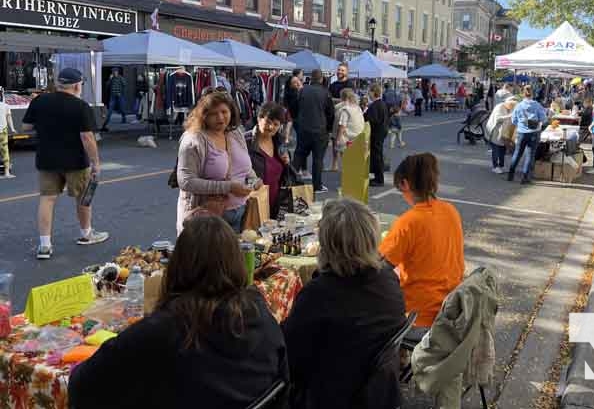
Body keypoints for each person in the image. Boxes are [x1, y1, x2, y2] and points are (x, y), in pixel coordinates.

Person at [69, 214, 288, 409]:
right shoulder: (258, 312)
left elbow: (82, 385)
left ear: (178, 265)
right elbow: (283, 380)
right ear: (237, 264)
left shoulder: (162, 330)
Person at [283, 198, 406, 409]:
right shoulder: (387, 278)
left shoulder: (319, 295)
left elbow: (289, 360)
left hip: (335, 396)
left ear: (328, 245)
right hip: (380, 393)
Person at [22, 68, 107, 260]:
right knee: (82, 198)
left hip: (46, 159)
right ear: (77, 85)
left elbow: (26, 126)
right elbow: (87, 137)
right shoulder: (80, 106)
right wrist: (96, 163)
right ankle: (86, 234)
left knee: (47, 199)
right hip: (75, 161)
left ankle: (45, 246)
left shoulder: (40, 101)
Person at [379, 153, 464, 330]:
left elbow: (379, 267)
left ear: (405, 184)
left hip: (419, 314)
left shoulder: (409, 221)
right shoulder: (451, 211)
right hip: (451, 307)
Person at [176, 91, 261, 234]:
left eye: (224, 111)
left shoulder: (236, 133)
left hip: (239, 212)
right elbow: (186, 181)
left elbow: (245, 167)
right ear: (204, 116)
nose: (220, 117)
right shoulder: (193, 140)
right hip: (206, 217)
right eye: (214, 113)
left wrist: (254, 179)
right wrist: (228, 187)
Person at [247, 102, 296, 219]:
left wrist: (287, 163)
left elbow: (286, 173)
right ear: (259, 118)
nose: (271, 127)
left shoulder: (279, 142)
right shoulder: (246, 142)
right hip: (254, 201)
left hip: (277, 201)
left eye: (276, 124)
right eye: (268, 122)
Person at [293, 69, 334, 193]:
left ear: (311, 78)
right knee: (318, 159)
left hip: (304, 128)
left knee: (299, 155)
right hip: (320, 130)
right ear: (321, 79)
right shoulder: (325, 93)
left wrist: (298, 122)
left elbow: (295, 107)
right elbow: (330, 113)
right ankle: (317, 185)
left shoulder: (302, 90)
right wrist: (329, 129)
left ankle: (289, 180)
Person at [507, 85, 547, 184]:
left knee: (517, 153)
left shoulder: (519, 105)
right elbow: (544, 119)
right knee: (530, 155)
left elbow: (514, 120)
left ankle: (510, 174)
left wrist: (522, 125)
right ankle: (525, 177)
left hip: (521, 133)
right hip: (534, 133)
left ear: (522, 94)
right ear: (533, 94)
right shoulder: (537, 105)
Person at [485, 97, 518, 173]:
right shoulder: (499, 107)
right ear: (507, 103)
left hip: (504, 132)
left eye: (513, 105)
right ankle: (495, 166)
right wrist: (510, 115)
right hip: (495, 131)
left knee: (502, 149)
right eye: (511, 105)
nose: (512, 107)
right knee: (496, 149)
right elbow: (498, 118)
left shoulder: (511, 107)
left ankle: (501, 166)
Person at [365, 84, 388, 187]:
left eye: (369, 91)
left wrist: (365, 116)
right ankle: (378, 177)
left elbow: (371, 119)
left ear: (373, 92)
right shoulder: (382, 103)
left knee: (376, 156)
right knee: (377, 155)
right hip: (381, 132)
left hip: (376, 133)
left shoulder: (375, 105)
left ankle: (379, 179)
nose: (368, 94)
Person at [333, 89, 365, 160]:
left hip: (349, 137)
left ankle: (344, 166)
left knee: (340, 142)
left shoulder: (345, 109)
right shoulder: (357, 107)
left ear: (342, 97)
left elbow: (342, 126)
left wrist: (337, 139)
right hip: (359, 135)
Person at [0, 88, 16, 178]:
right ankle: (7, 173)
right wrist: (12, 128)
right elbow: (9, 118)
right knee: (5, 151)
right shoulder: (6, 106)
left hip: (3, 130)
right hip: (3, 131)